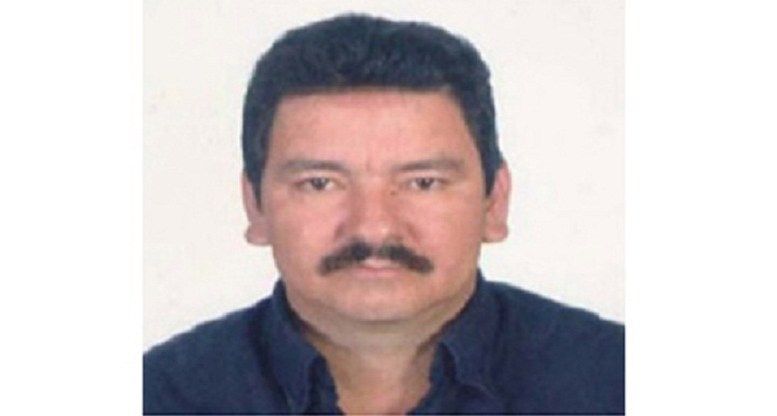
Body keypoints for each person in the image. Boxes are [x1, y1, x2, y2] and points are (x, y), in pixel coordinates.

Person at [143, 14, 624, 415]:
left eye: (423, 183)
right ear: (256, 205)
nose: (374, 227)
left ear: (494, 202)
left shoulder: (616, 384)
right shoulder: (158, 397)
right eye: (320, 184)